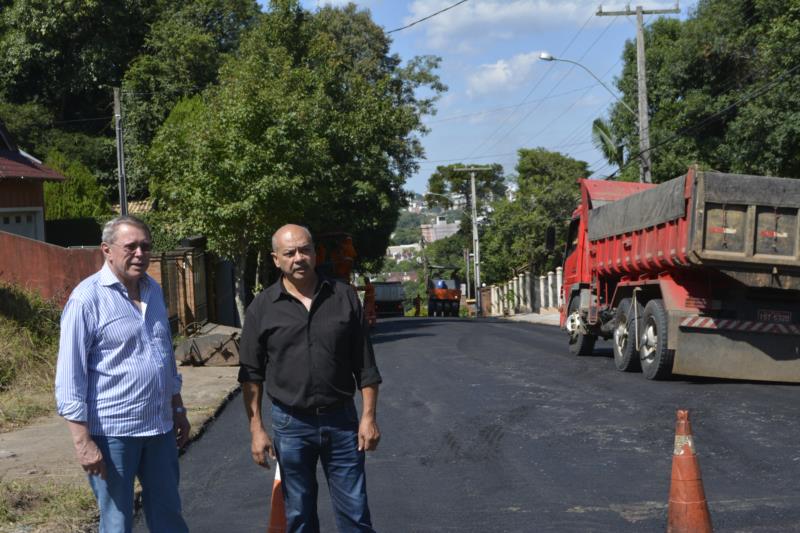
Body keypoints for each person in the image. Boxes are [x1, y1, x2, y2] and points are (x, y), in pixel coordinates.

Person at [239, 224, 382, 532]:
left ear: (316, 254)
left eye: (305, 250)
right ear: (276, 259)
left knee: (356, 515)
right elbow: (251, 374)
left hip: (342, 422)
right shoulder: (261, 309)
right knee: (299, 517)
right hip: (291, 426)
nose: (298, 258)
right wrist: (257, 430)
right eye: (289, 253)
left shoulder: (344, 297)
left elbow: (365, 364)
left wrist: (368, 417)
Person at [55, 215, 190, 533]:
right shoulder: (86, 300)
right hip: (112, 433)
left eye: (146, 246)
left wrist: (179, 407)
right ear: (107, 250)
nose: (140, 253)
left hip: (158, 428)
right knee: (117, 522)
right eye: (131, 246)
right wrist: (82, 440)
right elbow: (69, 376)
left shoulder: (153, 290)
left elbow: (165, 356)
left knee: (169, 517)